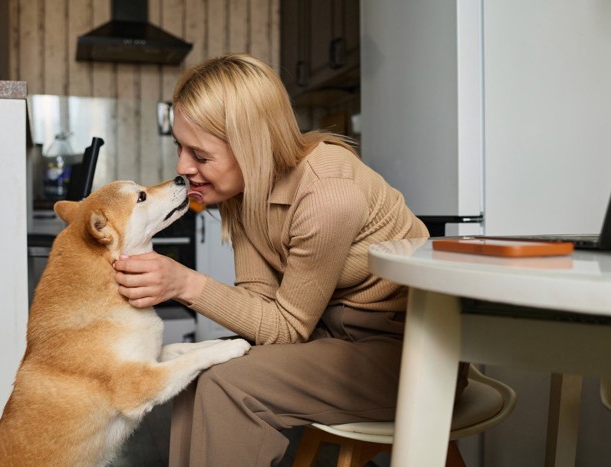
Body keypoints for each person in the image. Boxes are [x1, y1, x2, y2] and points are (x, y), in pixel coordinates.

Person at [113, 53, 468, 467]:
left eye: (200, 155)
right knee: (195, 370)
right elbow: (261, 309)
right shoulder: (245, 191)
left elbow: (286, 330)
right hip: (333, 341)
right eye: (180, 147)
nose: (182, 167)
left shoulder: (327, 195)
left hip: (410, 359)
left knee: (229, 386)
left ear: (251, 146)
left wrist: (184, 284)